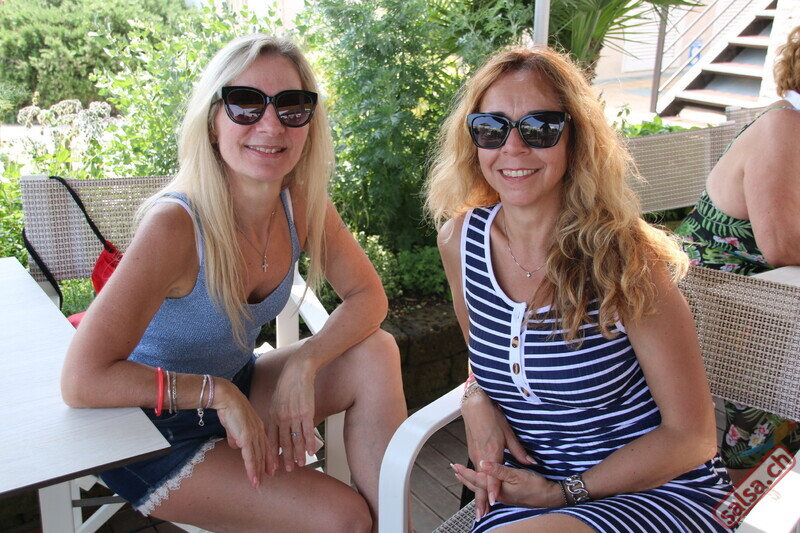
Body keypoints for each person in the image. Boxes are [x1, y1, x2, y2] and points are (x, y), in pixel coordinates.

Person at [60, 34, 407, 533]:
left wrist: (305, 362)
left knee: (376, 351)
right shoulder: (176, 226)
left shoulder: (299, 203)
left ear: (309, 121)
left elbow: (369, 298)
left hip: (238, 388)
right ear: (212, 120)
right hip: (150, 428)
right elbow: (81, 380)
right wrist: (216, 393)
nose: (271, 124)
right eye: (245, 103)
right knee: (345, 520)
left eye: (291, 106)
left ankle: (397, 526)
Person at [425, 46, 734, 532]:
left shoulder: (625, 260)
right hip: (530, 495)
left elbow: (692, 438)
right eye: (491, 127)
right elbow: (484, 357)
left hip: (654, 491)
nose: (513, 147)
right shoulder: (460, 243)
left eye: (539, 127)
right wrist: (476, 398)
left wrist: (564, 492)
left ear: (577, 138)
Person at [675, 24, 800, 485]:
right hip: (720, 304)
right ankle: (743, 497)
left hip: (771, 303)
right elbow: (783, 244)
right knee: (760, 441)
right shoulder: (785, 126)